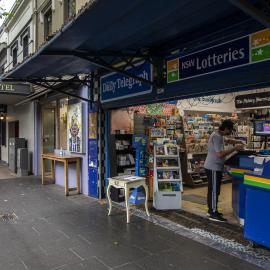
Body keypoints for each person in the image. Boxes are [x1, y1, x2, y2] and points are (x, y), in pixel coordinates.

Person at [204, 119, 244, 222]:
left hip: (214, 167)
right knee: (214, 191)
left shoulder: (218, 134)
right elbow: (220, 154)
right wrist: (235, 148)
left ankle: (212, 210)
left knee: (213, 190)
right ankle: (213, 213)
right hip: (213, 167)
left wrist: (236, 141)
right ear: (226, 128)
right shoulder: (217, 137)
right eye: (230, 131)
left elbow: (226, 140)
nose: (230, 133)